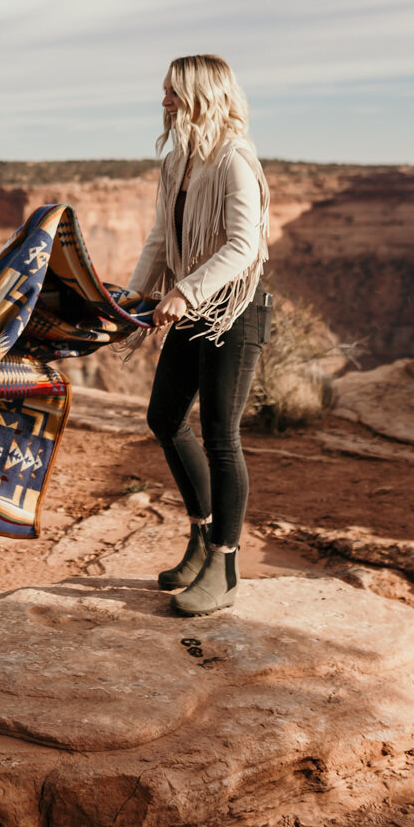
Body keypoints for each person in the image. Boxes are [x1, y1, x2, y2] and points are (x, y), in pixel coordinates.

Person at [127, 54, 272, 616]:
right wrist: (137, 295)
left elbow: (243, 246)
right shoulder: (178, 162)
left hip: (233, 311)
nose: (164, 99)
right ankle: (202, 532)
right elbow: (162, 237)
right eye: (164, 90)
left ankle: (226, 564)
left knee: (219, 433)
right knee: (164, 417)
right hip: (194, 307)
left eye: (173, 91)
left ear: (203, 95)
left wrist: (184, 292)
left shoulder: (236, 159)